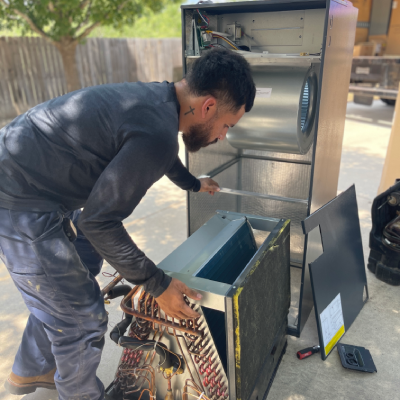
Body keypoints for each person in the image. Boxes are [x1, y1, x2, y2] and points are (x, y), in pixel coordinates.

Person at [0, 48, 256, 399]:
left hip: (31, 177)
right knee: (82, 317)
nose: (222, 135)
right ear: (208, 106)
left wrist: (194, 184)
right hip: (17, 199)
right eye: (227, 125)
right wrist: (158, 285)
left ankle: (34, 368)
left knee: (80, 266)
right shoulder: (158, 132)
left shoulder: (159, 100)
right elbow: (100, 222)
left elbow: (159, 153)